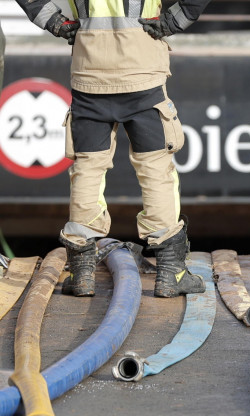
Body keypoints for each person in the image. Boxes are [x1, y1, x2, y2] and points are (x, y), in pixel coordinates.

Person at [15, 0, 211, 298]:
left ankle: (81, 273)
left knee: (87, 168)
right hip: (142, 70)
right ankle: (172, 273)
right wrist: (177, 19)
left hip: (89, 69)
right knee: (156, 168)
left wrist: (54, 21)